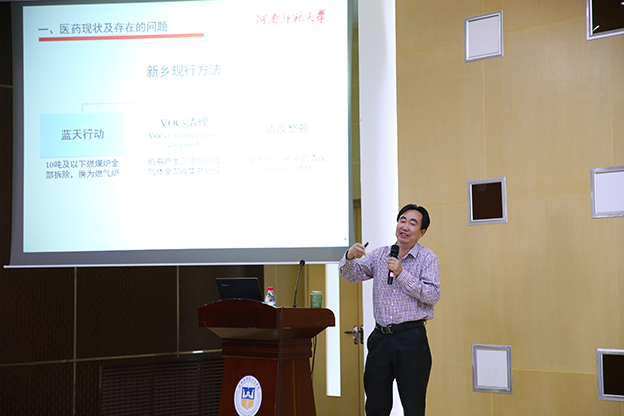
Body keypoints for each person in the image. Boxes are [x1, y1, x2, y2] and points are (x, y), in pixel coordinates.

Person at [339, 204, 441, 416]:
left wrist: (401, 274)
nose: (405, 226)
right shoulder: (380, 255)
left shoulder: (427, 257)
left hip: (411, 339)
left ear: (422, 232)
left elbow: (432, 295)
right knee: (376, 406)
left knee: (413, 407)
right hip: (381, 339)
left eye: (412, 223)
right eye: (402, 220)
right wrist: (349, 256)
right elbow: (351, 275)